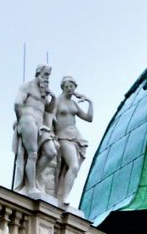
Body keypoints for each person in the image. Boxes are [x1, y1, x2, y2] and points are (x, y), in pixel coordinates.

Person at [49, 77, 93, 205]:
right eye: (66, 86)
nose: (69, 89)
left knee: (73, 169)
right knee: (73, 166)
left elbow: (89, 118)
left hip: (77, 138)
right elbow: (50, 117)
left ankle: (63, 195)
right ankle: (64, 197)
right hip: (63, 137)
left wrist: (89, 101)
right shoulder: (57, 101)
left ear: (75, 87)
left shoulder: (73, 103)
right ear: (62, 87)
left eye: (71, 86)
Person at [12, 66, 54, 196]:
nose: (46, 78)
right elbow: (17, 104)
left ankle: (33, 177)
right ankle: (30, 187)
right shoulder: (27, 86)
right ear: (38, 73)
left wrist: (53, 97)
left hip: (40, 125)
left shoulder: (43, 91)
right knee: (33, 153)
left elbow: (49, 110)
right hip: (28, 120)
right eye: (45, 75)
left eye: (48, 76)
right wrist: (21, 121)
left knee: (51, 152)